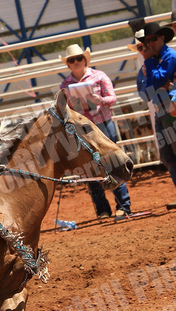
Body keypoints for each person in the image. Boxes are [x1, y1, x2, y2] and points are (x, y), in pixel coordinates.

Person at [59, 44, 132, 218]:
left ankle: (123, 206)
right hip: (82, 129)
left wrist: (100, 100)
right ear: (68, 64)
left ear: (85, 60)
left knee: (112, 164)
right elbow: (62, 110)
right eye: (72, 60)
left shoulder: (99, 76)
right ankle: (103, 209)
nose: (76, 62)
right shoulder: (65, 85)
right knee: (89, 169)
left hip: (102, 124)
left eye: (78, 58)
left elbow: (112, 98)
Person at [137, 22, 176, 209]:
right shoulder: (154, 60)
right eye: (146, 41)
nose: (148, 44)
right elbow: (146, 91)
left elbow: (156, 81)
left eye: (152, 39)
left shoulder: (169, 56)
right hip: (162, 110)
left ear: (162, 38)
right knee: (167, 156)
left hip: (172, 111)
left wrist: (148, 62)